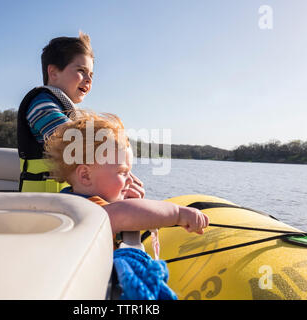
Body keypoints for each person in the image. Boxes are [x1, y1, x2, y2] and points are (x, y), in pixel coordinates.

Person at [44, 111, 209, 249]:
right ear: (86, 175)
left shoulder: (70, 197)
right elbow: (123, 213)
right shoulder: (90, 209)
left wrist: (124, 197)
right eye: (122, 172)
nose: (131, 180)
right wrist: (178, 214)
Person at [17, 31, 145, 198]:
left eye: (91, 75)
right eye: (81, 71)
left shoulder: (67, 110)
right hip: (38, 206)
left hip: (63, 202)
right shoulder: (40, 103)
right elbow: (71, 139)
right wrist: (116, 171)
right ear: (54, 73)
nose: (89, 79)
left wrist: (122, 177)